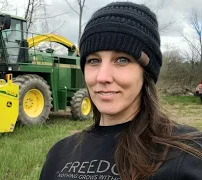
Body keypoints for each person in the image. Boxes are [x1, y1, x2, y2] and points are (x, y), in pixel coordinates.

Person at [39, 2, 202, 180]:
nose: (102, 77)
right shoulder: (59, 154)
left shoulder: (188, 154)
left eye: (122, 60)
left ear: (146, 72)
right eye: (94, 61)